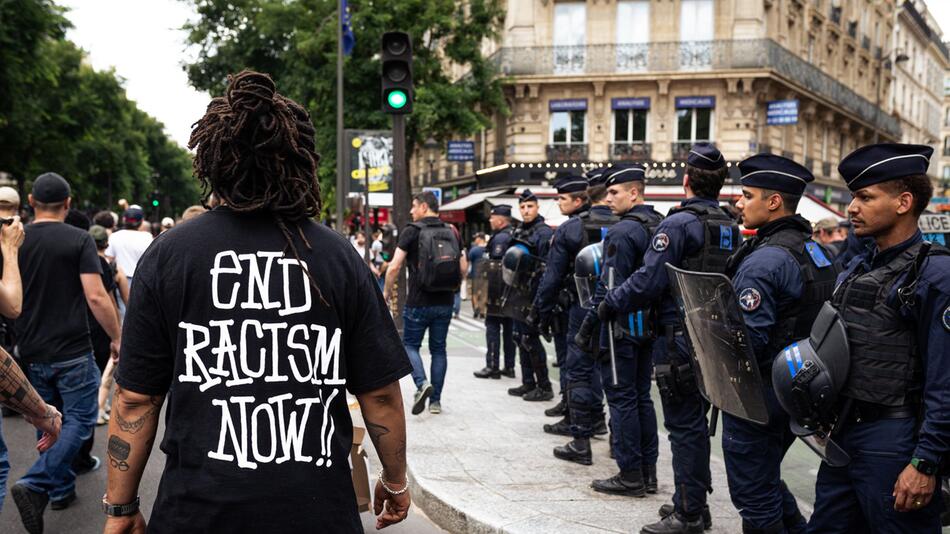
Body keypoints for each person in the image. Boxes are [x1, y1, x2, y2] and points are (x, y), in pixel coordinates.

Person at [105, 71, 414, 534]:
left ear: (211, 162)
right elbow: (380, 394)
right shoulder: (336, 256)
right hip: (316, 515)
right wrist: (395, 479)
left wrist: (121, 508)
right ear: (298, 158)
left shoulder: (170, 254)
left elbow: (133, 399)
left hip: (198, 513)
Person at [801, 143, 950, 532]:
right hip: (845, 433)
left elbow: (945, 380)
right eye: (853, 197)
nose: (852, 208)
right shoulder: (859, 266)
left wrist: (925, 462)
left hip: (895, 441)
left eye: (865, 197)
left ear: (903, 202)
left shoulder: (935, 275)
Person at [599, 144, 739, 534]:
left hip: (679, 337)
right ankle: (691, 501)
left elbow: (648, 281)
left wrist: (609, 303)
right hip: (713, 335)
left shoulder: (678, 225)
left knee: (684, 425)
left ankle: (690, 513)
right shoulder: (728, 225)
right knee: (693, 423)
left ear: (687, 180)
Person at [721, 154, 838, 534]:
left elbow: (746, 342)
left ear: (773, 202)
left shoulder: (765, 261)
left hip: (759, 396)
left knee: (753, 493)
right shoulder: (814, 250)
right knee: (766, 477)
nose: (739, 202)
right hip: (799, 390)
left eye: (747, 194)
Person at [11, 172, 122, 533]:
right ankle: (38, 482)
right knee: (80, 419)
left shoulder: (14, 240)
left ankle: (60, 491)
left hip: (29, 348)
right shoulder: (78, 239)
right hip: (72, 348)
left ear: (30, 201)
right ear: (68, 203)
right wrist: (118, 337)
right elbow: (95, 295)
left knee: (45, 418)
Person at [576, 164, 663, 497]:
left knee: (623, 400)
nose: (607, 198)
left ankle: (630, 475)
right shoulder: (657, 224)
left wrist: (588, 327)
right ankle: (648, 473)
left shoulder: (622, 231)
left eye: (614, 192)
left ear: (634, 193)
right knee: (642, 397)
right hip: (649, 326)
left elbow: (608, 285)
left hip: (620, 327)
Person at [533, 175, 609, 458]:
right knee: (612, 374)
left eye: (563, 198)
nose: (558, 202)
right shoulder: (625, 224)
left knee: (576, 369)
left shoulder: (571, 229)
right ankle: (603, 425)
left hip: (578, 306)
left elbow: (552, 276)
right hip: (617, 310)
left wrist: (540, 312)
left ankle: (580, 435)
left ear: (581, 199)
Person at [385, 191, 466, 416]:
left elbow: (393, 267)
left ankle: (421, 384)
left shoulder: (412, 231)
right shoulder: (453, 231)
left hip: (418, 301)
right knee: (439, 349)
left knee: (410, 345)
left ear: (423, 207)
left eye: (414, 206)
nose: (411, 211)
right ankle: (436, 402)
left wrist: (386, 292)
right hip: (445, 301)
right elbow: (463, 267)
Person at [507, 190, 555, 401]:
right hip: (519, 291)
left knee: (530, 338)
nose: (526, 211)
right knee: (519, 337)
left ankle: (544, 386)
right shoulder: (519, 230)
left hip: (534, 293)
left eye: (530, 206)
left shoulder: (543, 232)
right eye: (523, 207)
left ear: (537, 207)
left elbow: (547, 266)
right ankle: (528, 382)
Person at [85, 225, 130, 426]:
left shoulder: (79, 262)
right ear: (106, 243)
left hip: (83, 323)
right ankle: (98, 408)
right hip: (106, 324)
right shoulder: (112, 266)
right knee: (105, 371)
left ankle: (96, 406)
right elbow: (123, 299)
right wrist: (118, 331)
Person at [474, 206, 516, 380]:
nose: (490, 221)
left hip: (496, 292)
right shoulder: (514, 234)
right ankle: (509, 366)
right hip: (510, 293)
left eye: (492, 218)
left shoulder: (500, 238)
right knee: (508, 330)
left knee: (492, 327)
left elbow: (494, 266)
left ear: (500, 219)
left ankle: (492, 366)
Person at [105, 206, 153, 285]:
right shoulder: (148, 237)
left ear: (124, 219)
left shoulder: (115, 236)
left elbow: (109, 258)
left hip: (119, 281)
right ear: (142, 221)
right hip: (140, 281)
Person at [467, 233, 487, 318]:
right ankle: (483, 310)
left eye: (476, 238)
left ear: (480, 239)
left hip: (475, 274)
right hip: (486, 275)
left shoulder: (474, 250)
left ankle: (476, 308)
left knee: (474, 293)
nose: (475, 240)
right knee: (484, 293)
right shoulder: (487, 249)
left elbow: (469, 261)